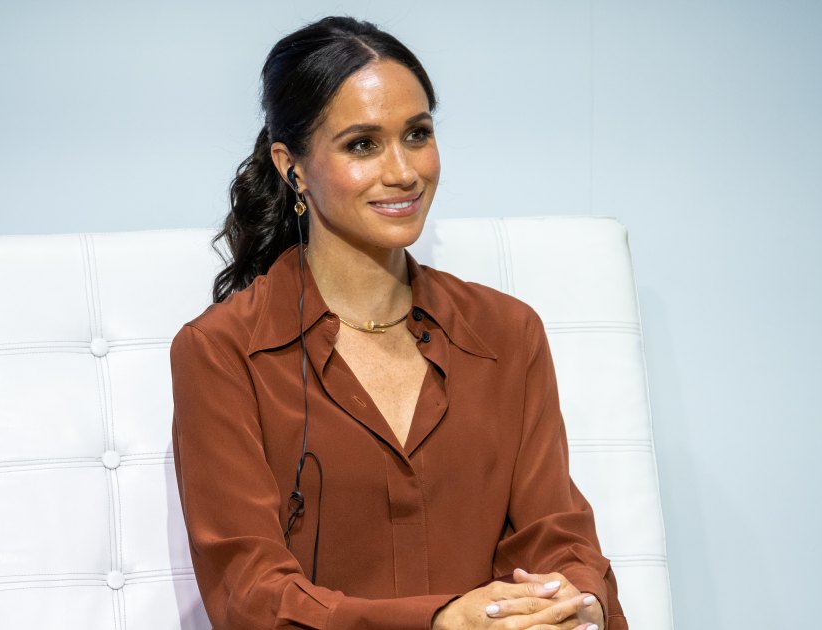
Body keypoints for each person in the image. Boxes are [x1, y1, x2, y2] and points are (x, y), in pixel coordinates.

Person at [169, 15, 628, 630]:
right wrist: (437, 623)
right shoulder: (220, 352)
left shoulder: (507, 333)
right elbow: (249, 593)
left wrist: (577, 600)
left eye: (417, 134)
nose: (404, 171)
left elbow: (557, 535)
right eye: (362, 144)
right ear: (291, 166)